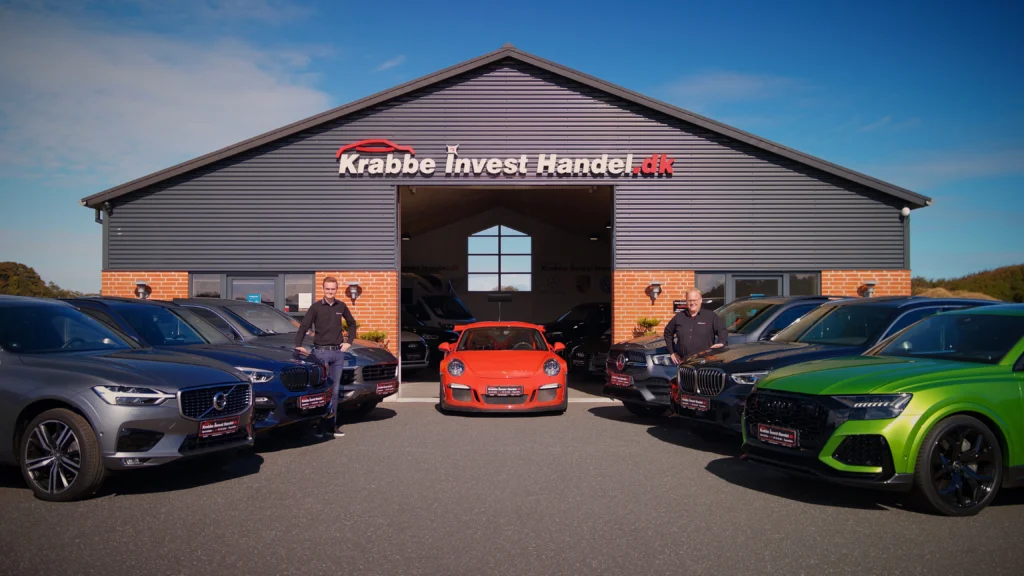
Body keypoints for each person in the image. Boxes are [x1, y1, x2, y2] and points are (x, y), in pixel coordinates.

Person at [295, 276, 358, 438]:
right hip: (320, 353)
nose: (330, 291)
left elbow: (352, 323)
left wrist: (349, 342)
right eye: (327, 289)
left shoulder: (341, 306)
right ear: (323, 289)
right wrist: (298, 345)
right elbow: (304, 326)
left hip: (337, 353)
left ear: (336, 290)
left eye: (333, 289)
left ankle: (331, 426)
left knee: (335, 391)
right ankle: (318, 426)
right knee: (321, 390)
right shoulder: (315, 307)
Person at [663, 287, 728, 364]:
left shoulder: (710, 316)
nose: (692, 303)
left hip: (705, 361)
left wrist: (722, 342)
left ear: (700, 300)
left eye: (695, 300)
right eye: (689, 300)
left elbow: (722, 330)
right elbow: (667, 332)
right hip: (684, 362)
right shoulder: (679, 317)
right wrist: (672, 352)